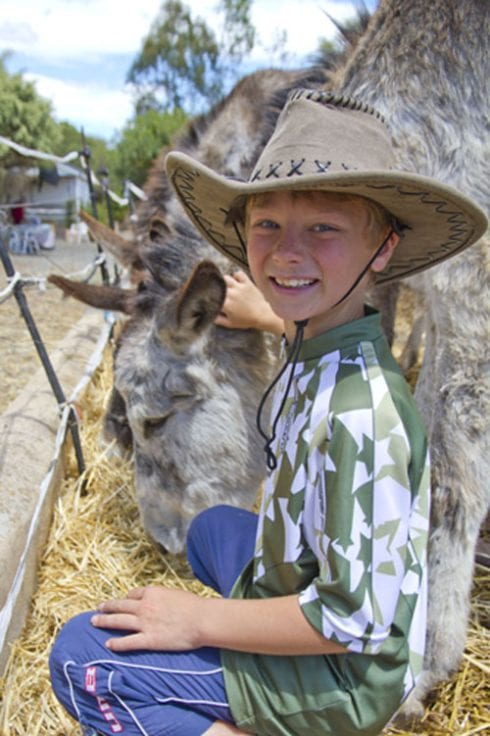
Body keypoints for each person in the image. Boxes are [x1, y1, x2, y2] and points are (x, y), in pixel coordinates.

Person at [49, 89, 487, 736]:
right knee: (210, 533)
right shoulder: (326, 342)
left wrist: (196, 621)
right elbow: (296, 326)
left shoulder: (363, 417)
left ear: (385, 249)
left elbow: (352, 617)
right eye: (266, 226)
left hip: (344, 681)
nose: (286, 253)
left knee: (81, 660)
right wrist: (269, 314)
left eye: (324, 229)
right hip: (318, 601)